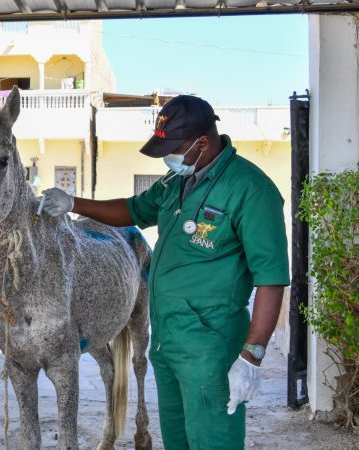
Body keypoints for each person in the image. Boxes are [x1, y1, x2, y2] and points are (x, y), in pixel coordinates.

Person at [42, 95, 290, 450]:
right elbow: (132, 210)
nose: (168, 159)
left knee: (213, 442)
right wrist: (73, 203)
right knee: (177, 441)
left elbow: (271, 279)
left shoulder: (250, 189)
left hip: (211, 349)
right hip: (168, 344)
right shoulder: (175, 184)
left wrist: (252, 356)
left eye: (174, 149)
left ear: (203, 143)